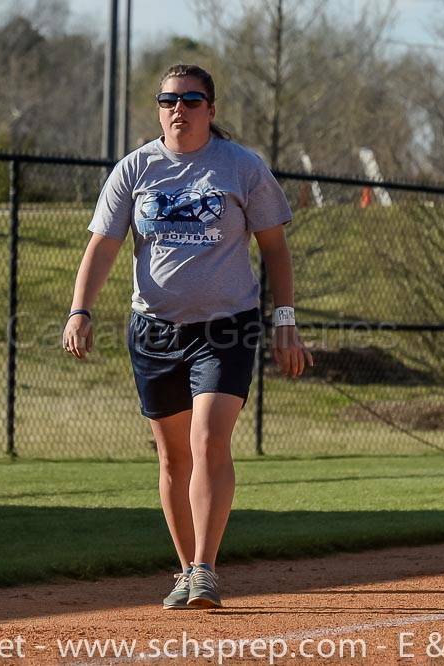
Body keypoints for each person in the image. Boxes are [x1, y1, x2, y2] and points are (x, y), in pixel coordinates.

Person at [63, 63, 313, 610]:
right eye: (169, 99)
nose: (180, 108)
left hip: (226, 327)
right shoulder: (135, 169)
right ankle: (185, 570)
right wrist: (80, 309)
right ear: (159, 108)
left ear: (211, 110)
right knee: (174, 457)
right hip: (153, 330)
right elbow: (103, 246)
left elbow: (274, 248)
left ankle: (204, 568)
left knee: (208, 441)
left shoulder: (241, 168)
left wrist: (285, 320)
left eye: (192, 100)